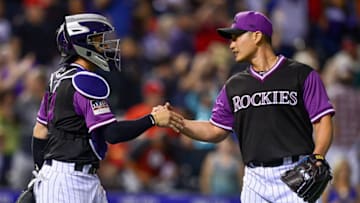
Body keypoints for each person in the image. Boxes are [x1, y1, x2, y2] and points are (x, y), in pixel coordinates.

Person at [167, 10, 335, 202]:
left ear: (257, 36)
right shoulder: (234, 85)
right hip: (254, 178)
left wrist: (318, 156)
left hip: (295, 173)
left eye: (236, 37)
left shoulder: (301, 74)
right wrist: (178, 122)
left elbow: (322, 120)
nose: (231, 45)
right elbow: (215, 129)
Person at [31, 13, 183, 203]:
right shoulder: (85, 80)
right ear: (82, 44)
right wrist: (152, 119)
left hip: (63, 176)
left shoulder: (57, 78)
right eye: (99, 41)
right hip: (71, 181)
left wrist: (40, 173)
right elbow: (112, 134)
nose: (107, 46)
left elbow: (40, 130)